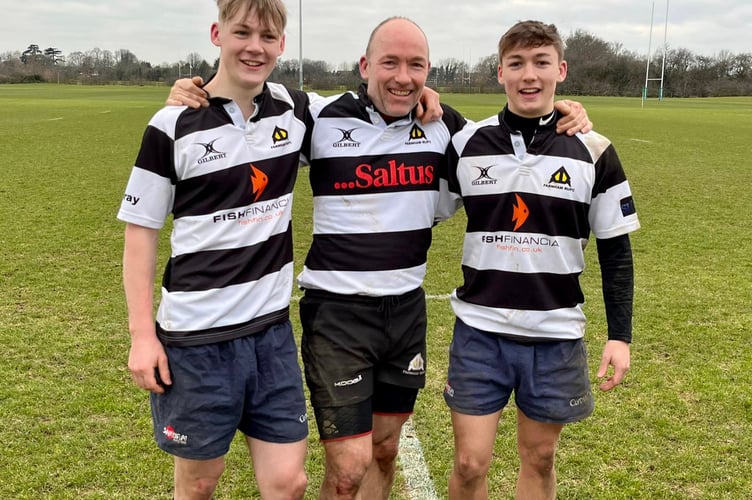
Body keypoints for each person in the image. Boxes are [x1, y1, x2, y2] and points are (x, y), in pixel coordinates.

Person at [167, 16, 591, 500]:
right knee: (348, 467)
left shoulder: (446, 127)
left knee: (386, 448)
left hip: (405, 311)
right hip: (338, 314)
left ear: (428, 72)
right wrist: (197, 89)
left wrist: (563, 110)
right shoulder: (318, 116)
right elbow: (250, 100)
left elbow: (511, 138)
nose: (402, 77)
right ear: (365, 66)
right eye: (389, 63)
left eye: (415, 66)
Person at [118, 1, 312, 498]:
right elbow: (140, 233)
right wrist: (143, 336)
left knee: (289, 482)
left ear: (282, 45)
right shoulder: (172, 124)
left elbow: (376, 103)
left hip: (270, 334)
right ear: (217, 33)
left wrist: (427, 93)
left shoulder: (296, 109)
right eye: (242, 32)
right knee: (200, 483)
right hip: (196, 340)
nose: (255, 46)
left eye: (268, 36)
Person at [442, 20, 640, 499]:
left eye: (541, 62)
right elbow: (419, 210)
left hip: (555, 335)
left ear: (561, 69)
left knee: (541, 457)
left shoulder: (594, 150)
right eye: (517, 64)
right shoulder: (467, 145)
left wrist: (620, 336)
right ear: (500, 73)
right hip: (480, 330)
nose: (529, 75)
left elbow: (616, 250)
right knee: (470, 464)